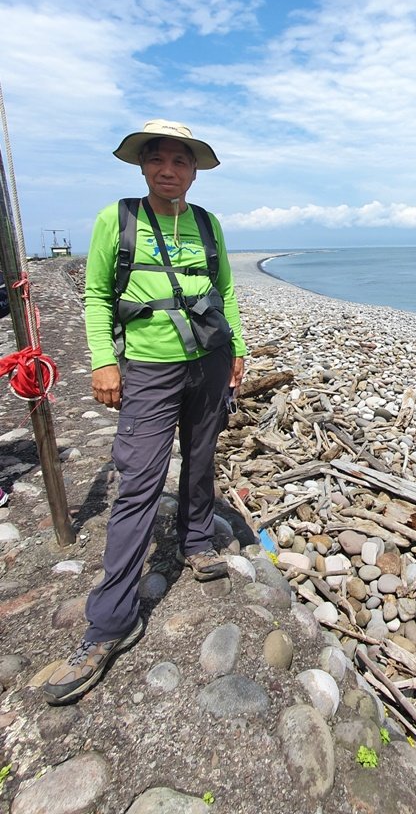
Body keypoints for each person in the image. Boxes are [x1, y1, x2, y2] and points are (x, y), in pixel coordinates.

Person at [44, 120, 246, 705]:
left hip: (208, 362)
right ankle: (108, 624)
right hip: (149, 369)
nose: (169, 169)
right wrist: (103, 362)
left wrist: (237, 350)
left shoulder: (208, 224)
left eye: (180, 161)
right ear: (143, 167)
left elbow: (226, 290)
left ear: (192, 170)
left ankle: (196, 540)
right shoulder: (119, 218)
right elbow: (96, 295)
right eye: (158, 159)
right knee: (137, 481)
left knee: (202, 456)